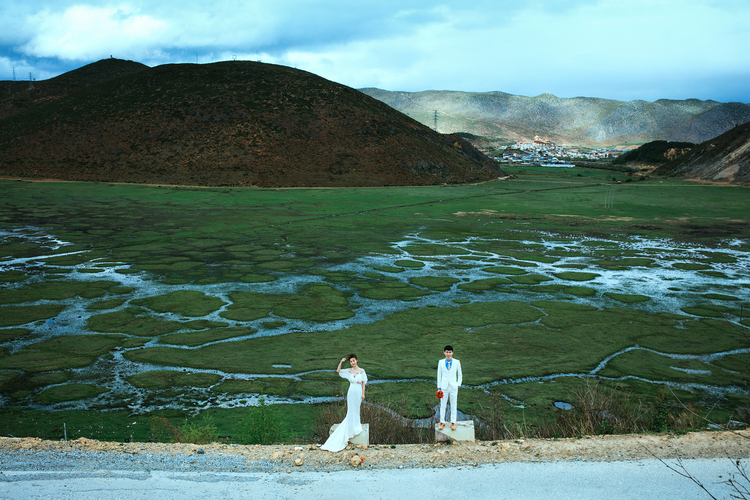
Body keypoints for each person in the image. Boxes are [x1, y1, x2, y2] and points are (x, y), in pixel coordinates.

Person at [320, 353, 367, 452]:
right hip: (351, 391)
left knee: (357, 409)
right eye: (351, 361)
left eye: (353, 361)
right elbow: (338, 371)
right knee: (351, 410)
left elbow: (363, 383)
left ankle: (356, 426)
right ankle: (350, 427)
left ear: (356, 360)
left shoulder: (362, 371)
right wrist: (341, 362)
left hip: (358, 391)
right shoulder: (349, 371)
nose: (352, 363)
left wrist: (363, 394)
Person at [437, 345, 462, 431]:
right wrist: (439, 388)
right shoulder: (440, 362)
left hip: (453, 386)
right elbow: (439, 375)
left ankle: (453, 422)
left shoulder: (457, 362)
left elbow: (460, 374)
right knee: (443, 404)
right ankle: (442, 421)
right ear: (444, 353)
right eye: (447, 352)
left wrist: (458, 384)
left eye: (450, 352)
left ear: (452, 353)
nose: (448, 354)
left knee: (453, 404)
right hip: (443, 387)